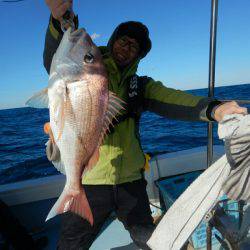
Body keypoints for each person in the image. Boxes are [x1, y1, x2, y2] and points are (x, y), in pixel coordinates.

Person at [44, 1, 248, 249]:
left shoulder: (141, 86)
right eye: (123, 40)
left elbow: (175, 100)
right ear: (112, 41)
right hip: (89, 181)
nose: (127, 47)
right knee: (71, 243)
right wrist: (59, 19)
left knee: (151, 240)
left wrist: (215, 108)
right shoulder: (86, 69)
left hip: (131, 181)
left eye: (135, 46)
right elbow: (57, 59)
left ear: (139, 56)